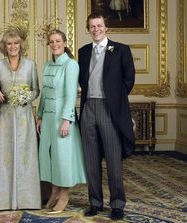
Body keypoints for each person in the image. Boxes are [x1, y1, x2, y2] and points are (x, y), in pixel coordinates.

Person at [78, 13, 135, 221]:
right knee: (91, 160)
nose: (96, 29)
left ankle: (117, 204)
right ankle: (95, 202)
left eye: (99, 25)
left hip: (109, 108)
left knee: (113, 160)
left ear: (106, 27)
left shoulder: (121, 50)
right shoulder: (83, 52)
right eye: (92, 26)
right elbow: (83, 81)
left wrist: (114, 98)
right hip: (88, 108)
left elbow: (129, 79)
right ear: (89, 29)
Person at [0, 26, 41, 210]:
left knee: (26, 156)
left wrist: (28, 97)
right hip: (5, 117)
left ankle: (27, 200)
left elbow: (36, 90)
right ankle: (3, 200)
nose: (13, 46)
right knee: (5, 156)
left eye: (16, 43)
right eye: (9, 44)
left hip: (25, 117)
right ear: (4, 46)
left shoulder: (30, 64)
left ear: (21, 45)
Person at [36, 29, 87, 214]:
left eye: (58, 41)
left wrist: (67, 120)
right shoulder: (48, 65)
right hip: (48, 118)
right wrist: (40, 115)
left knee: (63, 158)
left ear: (65, 43)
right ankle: (54, 190)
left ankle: (64, 195)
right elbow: (45, 93)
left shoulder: (71, 65)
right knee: (49, 157)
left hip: (62, 118)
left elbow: (70, 95)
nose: (55, 44)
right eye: (51, 41)